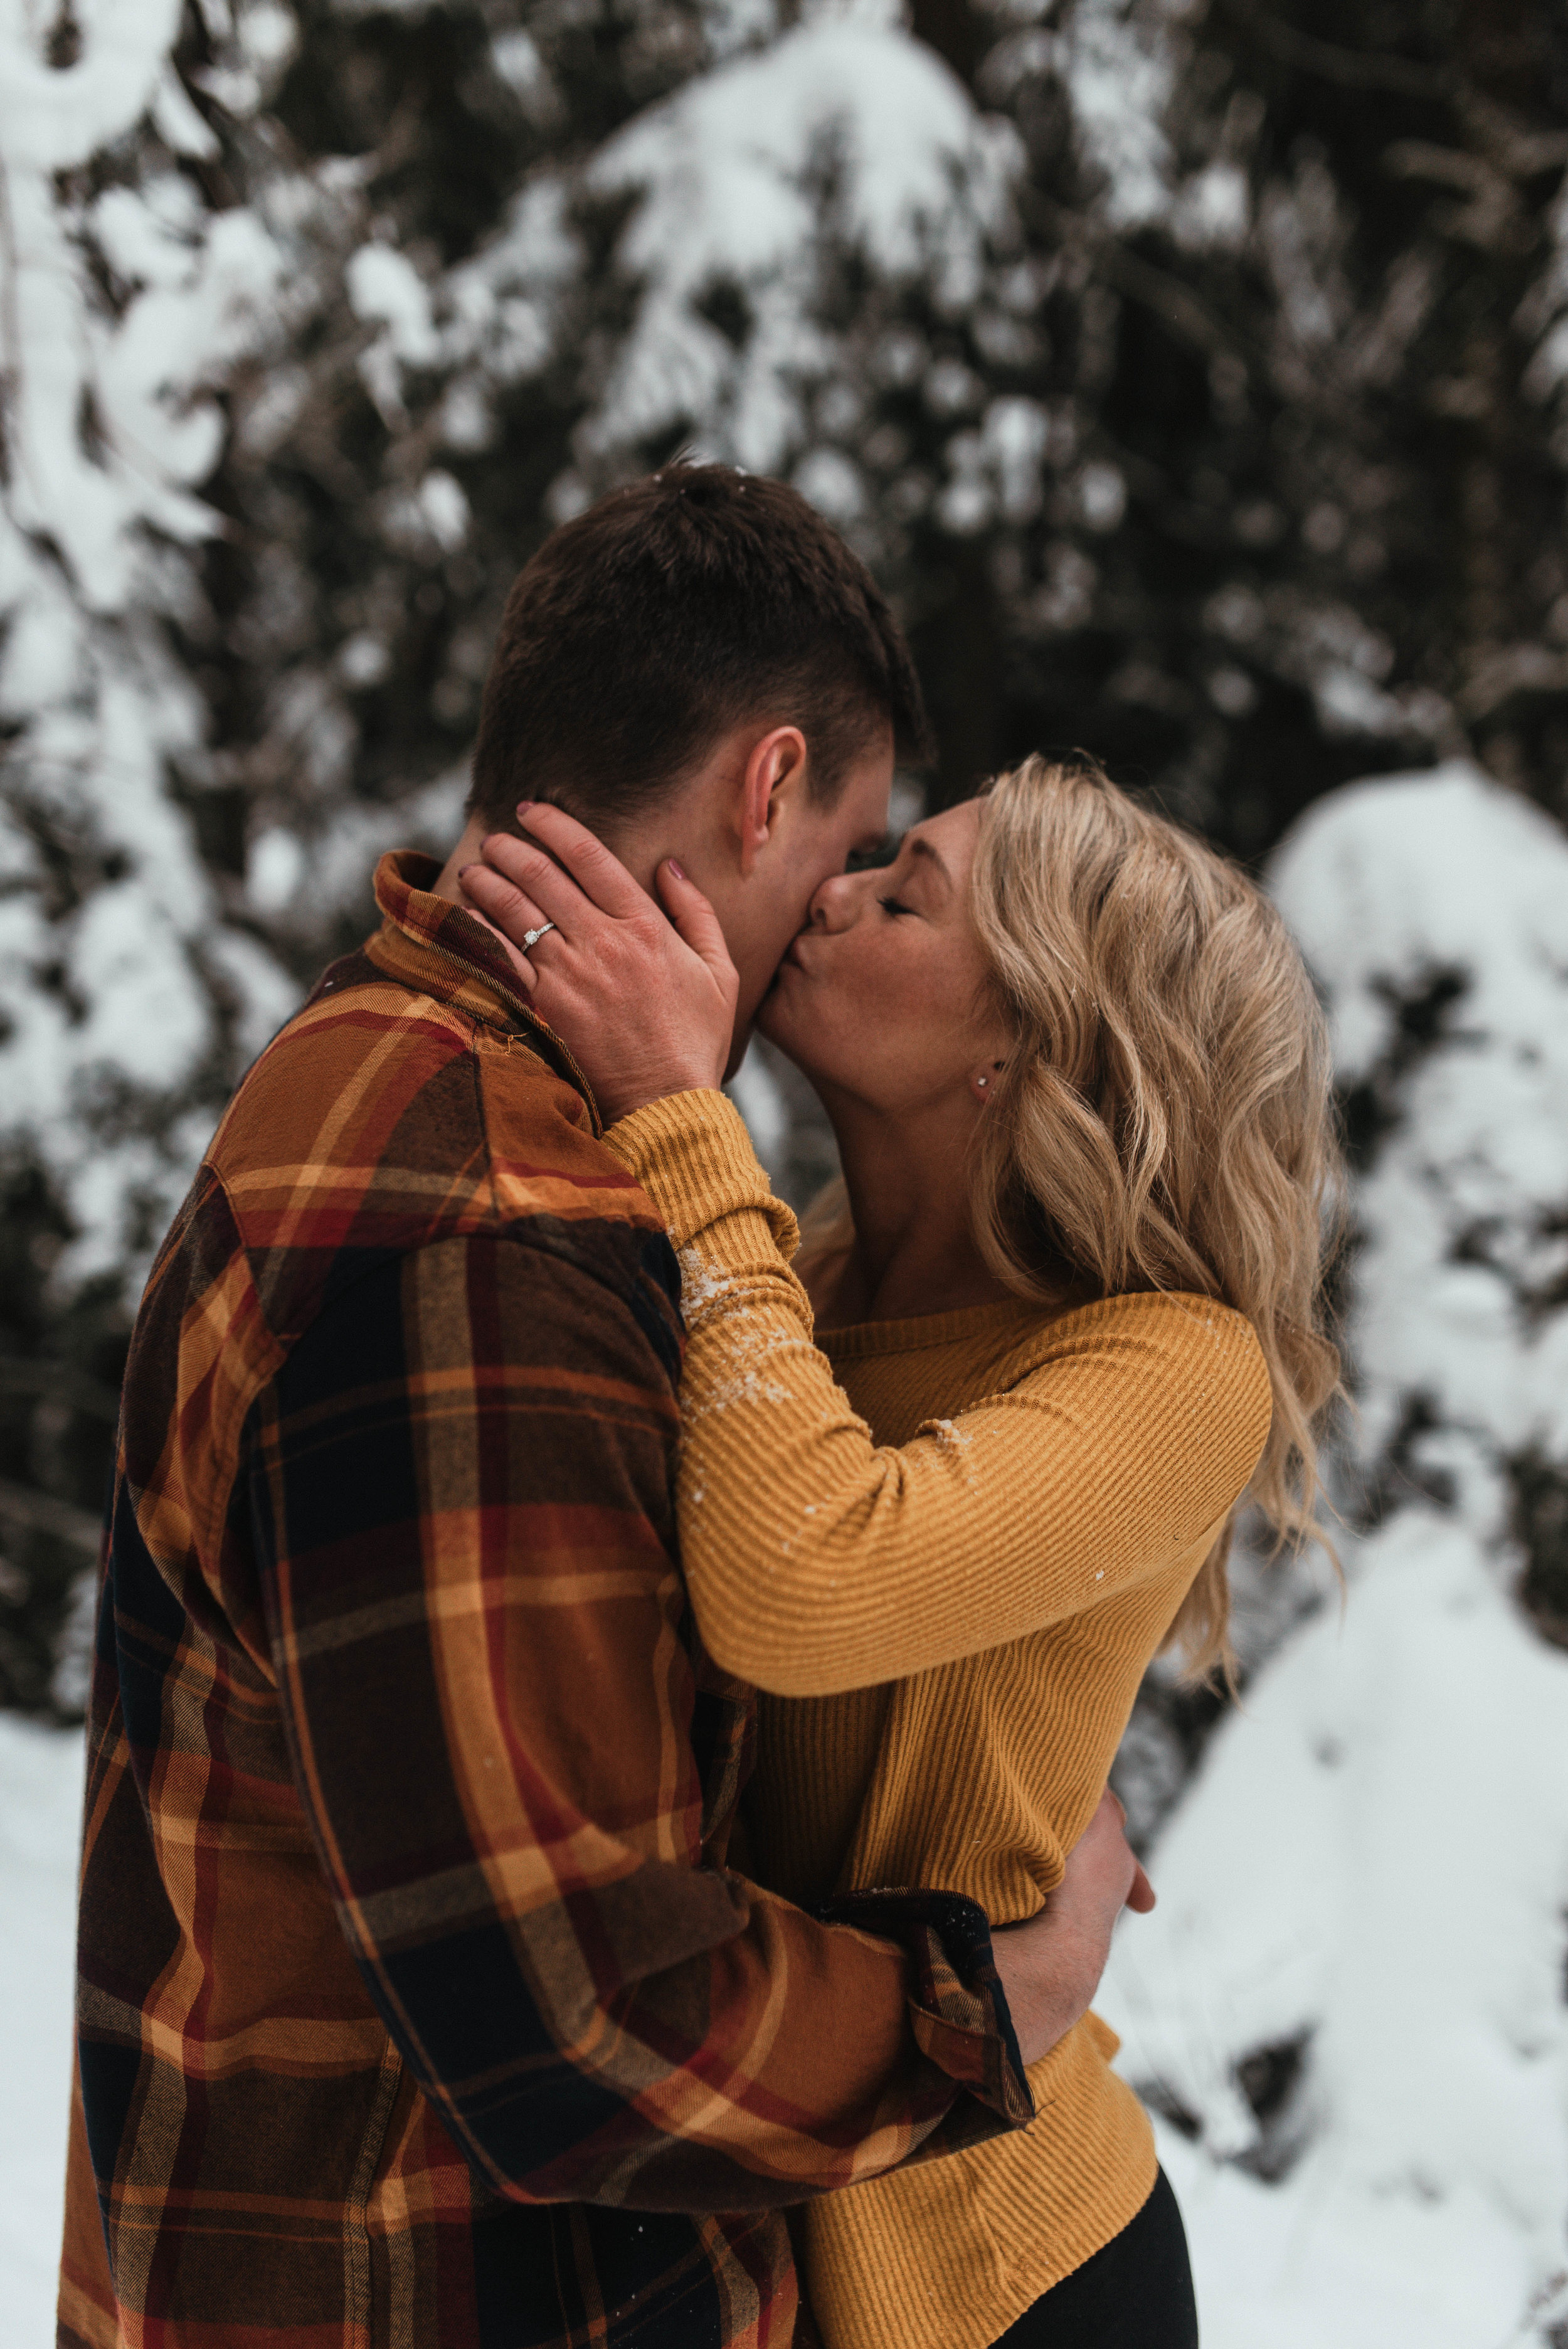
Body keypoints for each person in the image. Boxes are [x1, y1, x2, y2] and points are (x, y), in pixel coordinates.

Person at [58, 469, 1150, 2349]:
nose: (840, 907)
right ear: (764, 785)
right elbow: (584, 2020)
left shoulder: (379, 1071)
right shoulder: (489, 1221)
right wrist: (993, 2002)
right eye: (857, 841)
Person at [461, 751, 1345, 2348]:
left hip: (1006, 2272)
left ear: (1025, 1034)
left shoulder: (1170, 1359)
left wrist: (674, 1110)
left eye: (904, 889)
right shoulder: (796, 1274)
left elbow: (803, 1579)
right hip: (732, 2207)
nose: (832, 888)